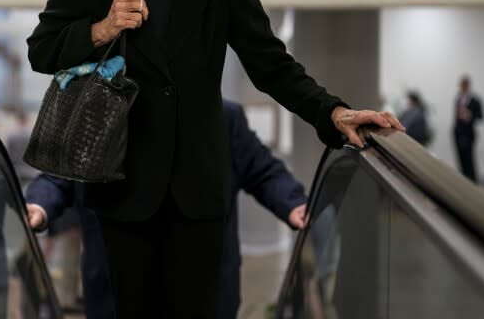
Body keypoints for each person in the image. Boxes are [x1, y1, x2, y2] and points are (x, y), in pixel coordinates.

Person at [26, 0, 403, 318]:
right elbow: (42, 49)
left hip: (196, 191)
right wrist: (101, 28)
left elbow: (268, 61)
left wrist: (331, 110)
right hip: (121, 181)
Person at [25, 100, 308, 319]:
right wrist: (38, 204)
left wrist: (294, 204)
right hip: (116, 295)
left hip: (204, 294)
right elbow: (58, 176)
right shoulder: (97, 116)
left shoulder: (222, 117)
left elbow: (264, 172)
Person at [453, 75, 484, 182]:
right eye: (462, 85)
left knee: (469, 159)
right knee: (460, 158)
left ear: (469, 86)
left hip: (469, 134)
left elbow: (481, 116)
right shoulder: (458, 99)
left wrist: (470, 116)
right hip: (458, 133)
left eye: (465, 85)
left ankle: (473, 181)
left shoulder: (475, 100)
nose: (463, 87)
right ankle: (463, 180)